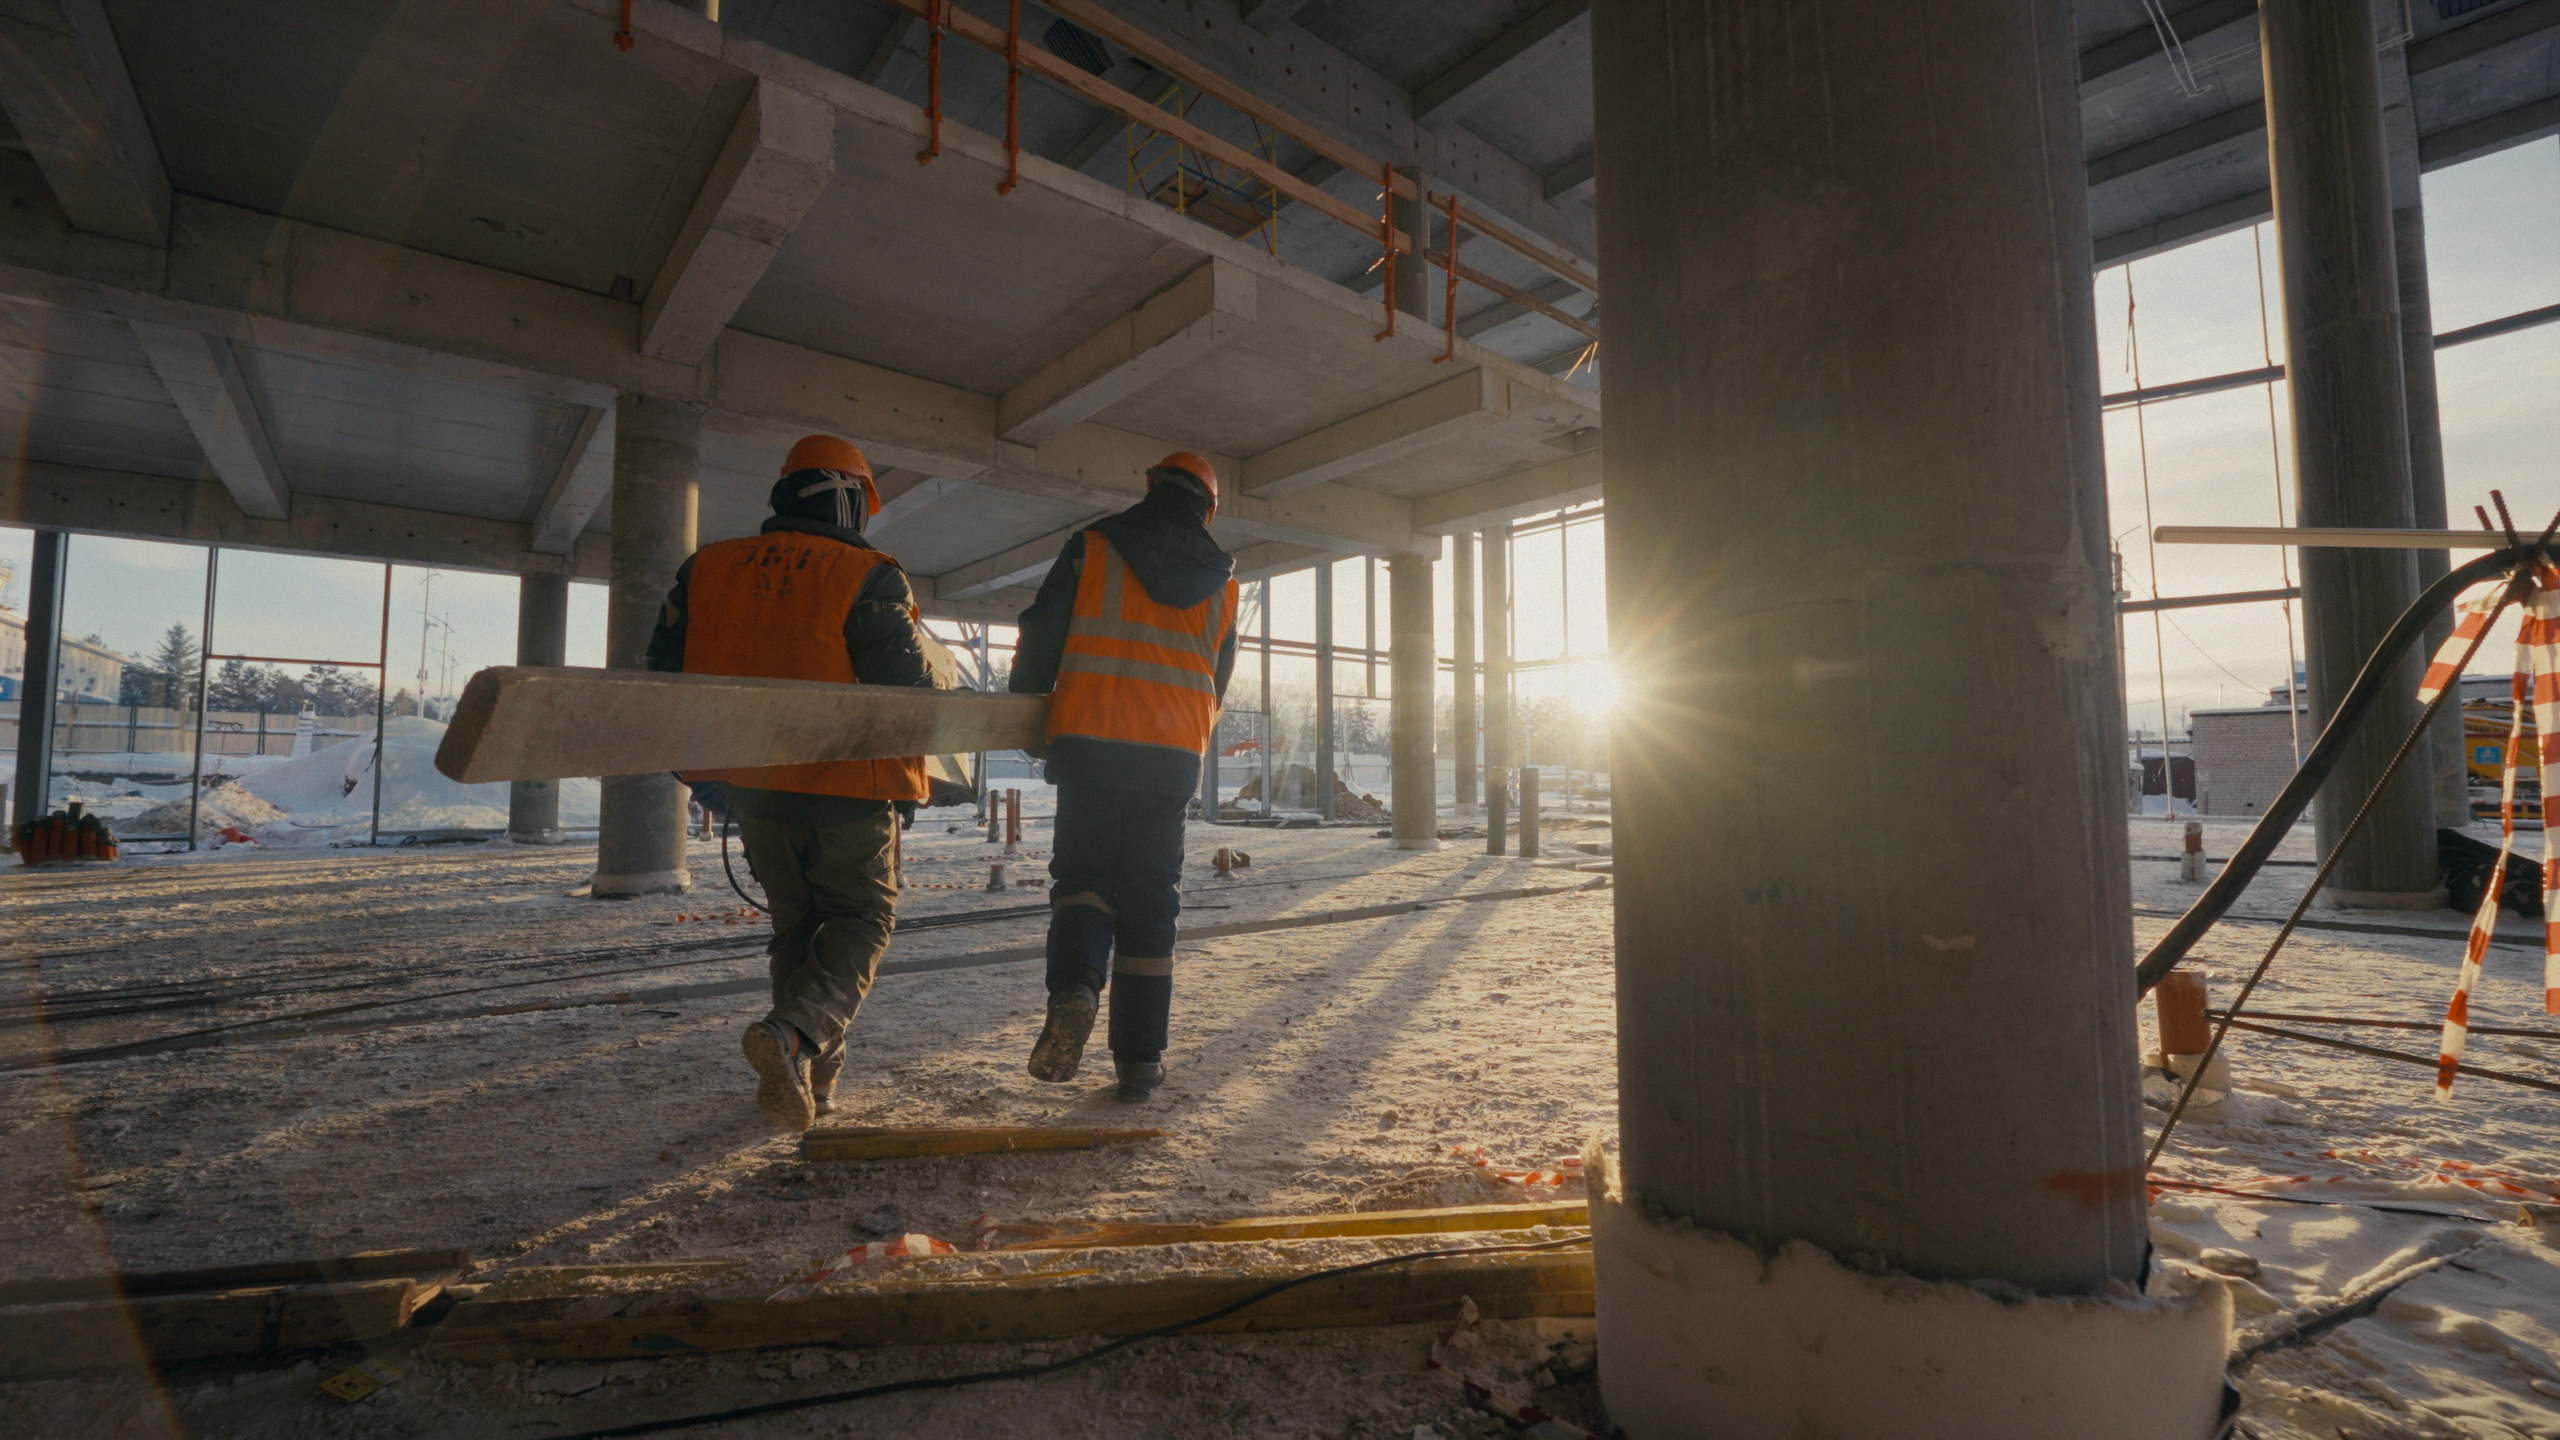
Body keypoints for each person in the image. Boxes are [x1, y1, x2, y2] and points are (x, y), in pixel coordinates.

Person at [646, 434, 942, 1129]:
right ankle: (789, 1038)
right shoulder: (867, 573)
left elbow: (659, 684)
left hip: (758, 792)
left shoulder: (706, 570)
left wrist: (710, 780)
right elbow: (909, 693)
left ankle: (808, 1077)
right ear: (846, 497)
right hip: (849, 789)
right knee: (863, 919)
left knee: (797, 928)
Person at [1009, 451, 1239, 1102]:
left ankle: (1076, 988)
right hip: (1171, 759)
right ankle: (1139, 1059)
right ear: (1208, 508)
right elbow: (1216, 682)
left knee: (1084, 881)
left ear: (1150, 489)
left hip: (1090, 743)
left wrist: (1028, 709)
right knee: (1150, 898)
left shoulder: (1094, 547)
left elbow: (1042, 632)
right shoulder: (1224, 580)